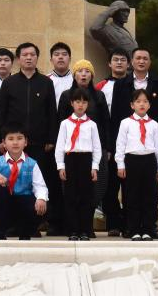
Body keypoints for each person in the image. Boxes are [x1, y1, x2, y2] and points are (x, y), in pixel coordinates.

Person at [0, 42, 58, 233]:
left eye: (32, 54)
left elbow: (51, 113)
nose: (29, 58)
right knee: (13, 181)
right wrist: (0, 139)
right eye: (25, 55)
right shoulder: (10, 83)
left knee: (36, 183)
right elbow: (1, 113)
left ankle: (33, 224)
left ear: (37, 58)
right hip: (13, 144)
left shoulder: (46, 83)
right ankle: (13, 224)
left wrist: (51, 139)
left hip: (39, 143)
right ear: (19, 59)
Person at [115, 89, 158, 242]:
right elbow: (120, 145)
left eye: (145, 101)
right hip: (132, 161)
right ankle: (134, 229)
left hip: (149, 161)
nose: (142, 104)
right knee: (132, 196)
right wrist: (120, 165)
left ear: (149, 105)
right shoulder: (126, 123)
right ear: (132, 105)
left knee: (150, 196)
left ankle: (148, 229)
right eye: (138, 101)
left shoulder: (154, 124)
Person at [0, 125, 48, 240]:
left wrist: (41, 198)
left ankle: (25, 232)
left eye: (19, 138)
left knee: (39, 199)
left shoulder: (32, 163)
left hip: (23, 204)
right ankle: (0, 232)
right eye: (11, 139)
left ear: (26, 142)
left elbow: (40, 185)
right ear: (4, 143)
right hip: (4, 206)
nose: (15, 142)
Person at [55, 87, 101, 241]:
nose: (80, 105)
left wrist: (95, 166)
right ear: (72, 103)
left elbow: (97, 148)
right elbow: (60, 146)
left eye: (83, 102)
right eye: (77, 101)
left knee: (86, 197)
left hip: (86, 160)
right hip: (70, 160)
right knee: (71, 196)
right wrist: (61, 165)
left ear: (87, 104)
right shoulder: (65, 124)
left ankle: (85, 229)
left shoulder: (92, 125)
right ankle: (73, 230)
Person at [96, 47, 130, 236]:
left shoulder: (134, 84)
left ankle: (128, 222)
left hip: (131, 143)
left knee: (129, 186)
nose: (119, 63)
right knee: (109, 186)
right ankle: (113, 223)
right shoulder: (101, 86)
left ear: (128, 63)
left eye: (122, 60)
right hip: (109, 142)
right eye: (115, 59)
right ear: (109, 63)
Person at [47, 42, 73, 106]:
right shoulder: (45, 80)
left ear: (70, 59)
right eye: (56, 54)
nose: (60, 57)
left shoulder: (77, 80)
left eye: (64, 54)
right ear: (51, 60)